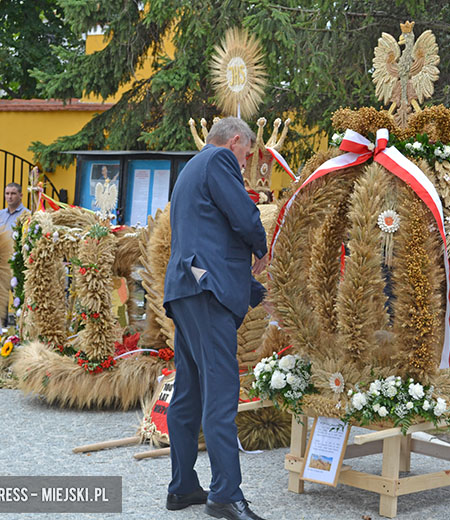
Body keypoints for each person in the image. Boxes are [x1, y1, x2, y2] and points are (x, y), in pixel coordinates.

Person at [163, 117, 268, 520]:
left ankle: (183, 487)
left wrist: (257, 293)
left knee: (188, 394)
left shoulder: (190, 170)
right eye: (246, 155)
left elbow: (208, 238)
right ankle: (225, 494)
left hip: (187, 289)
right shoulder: (218, 161)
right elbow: (243, 217)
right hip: (206, 293)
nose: (244, 164)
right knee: (221, 394)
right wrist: (262, 248)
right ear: (235, 142)